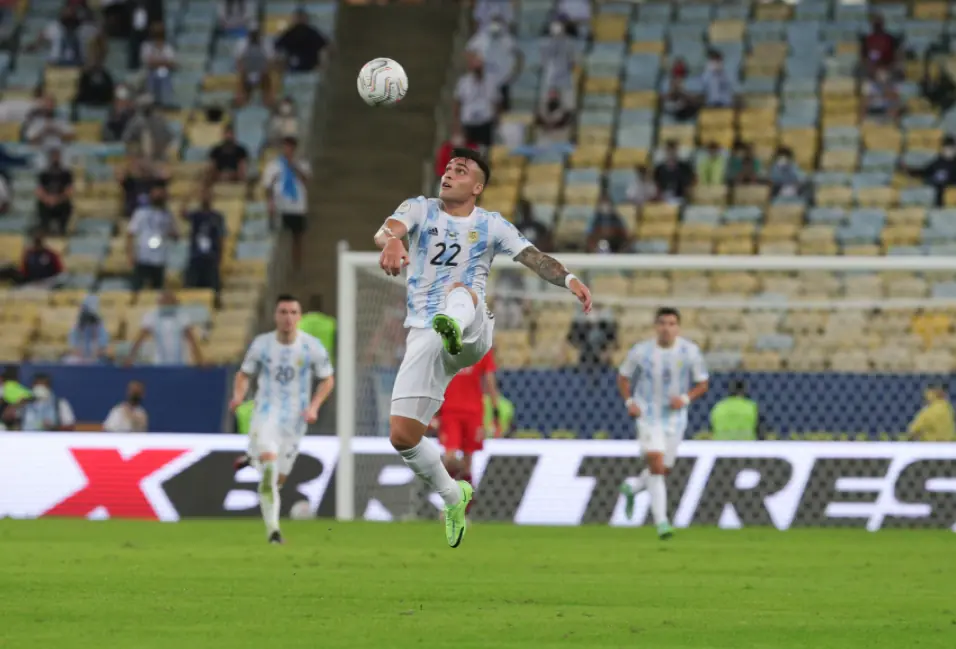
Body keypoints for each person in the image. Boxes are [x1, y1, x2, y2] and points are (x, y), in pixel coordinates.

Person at [375, 147, 592, 547]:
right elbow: (388, 227)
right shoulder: (420, 208)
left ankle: (452, 323)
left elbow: (535, 258)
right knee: (403, 436)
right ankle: (452, 495)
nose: (450, 173)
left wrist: (570, 279)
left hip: (472, 330)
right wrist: (391, 241)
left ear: (477, 187)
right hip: (424, 334)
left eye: (461, 170)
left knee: (462, 291)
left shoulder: (491, 224)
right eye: (448, 168)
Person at [229, 294, 335, 544]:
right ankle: (274, 532)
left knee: (277, 479)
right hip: (266, 413)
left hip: (295, 420)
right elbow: (244, 375)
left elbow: (328, 379)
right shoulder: (262, 345)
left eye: (292, 313)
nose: (287, 318)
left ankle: (253, 458)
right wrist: (238, 395)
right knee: (270, 466)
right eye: (283, 312)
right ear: (275, 316)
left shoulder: (311, 346)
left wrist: (314, 407)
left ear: (299, 317)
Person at [617, 307, 709, 539]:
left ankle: (634, 487)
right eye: (662, 323)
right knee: (657, 466)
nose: (666, 328)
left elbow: (702, 383)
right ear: (655, 326)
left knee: (663, 468)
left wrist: (686, 398)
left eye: (671, 324)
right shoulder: (642, 351)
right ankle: (662, 523)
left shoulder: (690, 351)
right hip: (648, 415)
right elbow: (623, 376)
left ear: (678, 327)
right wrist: (630, 402)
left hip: (676, 418)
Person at [438, 350, 500, 494]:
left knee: (468, 460)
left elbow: (489, 380)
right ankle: (463, 486)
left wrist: (495, 408)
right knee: (450, 458)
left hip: (473, 412)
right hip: (450, 411)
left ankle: (462, 505)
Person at [262, 136, 311, 271]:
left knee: (298, 238)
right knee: (280, 237)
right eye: (285, 146)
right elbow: (267, 186)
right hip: (281, 206)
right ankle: (279, 266)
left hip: (298, 206)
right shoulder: (274, 165)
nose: (288, 149)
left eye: (290, 147)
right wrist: (270, 203)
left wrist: (294, 167)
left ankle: (296, 266)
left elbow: (306, 180)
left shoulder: (302, 163)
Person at [127, 290, 203, 366]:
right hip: (159, 363)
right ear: (159, 302)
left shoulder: (183, 316)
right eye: (165, 301)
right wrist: (130, 357)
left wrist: (200, 359)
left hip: (180, 363)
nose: (167, 303)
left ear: (175, 303)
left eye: (170, 301)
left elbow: (192, 339)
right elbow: (140, 338)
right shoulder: (151, 316)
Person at [127, 183, 177, 290]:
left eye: (160, 194)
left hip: (160, 258)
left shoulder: (167, 215)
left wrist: (171, 235)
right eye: (155, 194)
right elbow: (131, 233)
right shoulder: (141, 213)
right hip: (143, 256)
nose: (158, 196)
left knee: (157, 289)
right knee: (137, 287)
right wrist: (131, 254)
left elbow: (174, 234)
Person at [181, 186, 225, 300]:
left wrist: (220, 256)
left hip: (211, 257)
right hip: (196, 256)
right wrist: (189, 196)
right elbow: (182, 213)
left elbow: (221, 237)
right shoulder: (196, 215)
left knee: (213, 289)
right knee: (191, 287)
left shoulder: (217, 216)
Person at [454, 52, 500, 149]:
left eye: (480, 64)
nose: (478, 68)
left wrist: (496, 121)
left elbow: (496, 102)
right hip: (468, 123)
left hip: (485, 123)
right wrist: (457, 127)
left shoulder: (490, 82)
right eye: (475, 64)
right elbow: (458, 104)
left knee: (485, 152)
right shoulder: (464, 82)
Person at [274, 8, 330, 73]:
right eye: (298, 18)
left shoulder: (313, 33)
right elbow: (278, 49)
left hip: (311, 69)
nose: (300, 21)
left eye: (301, 18)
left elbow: (325, 47)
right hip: (292, 69)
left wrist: (322, 64)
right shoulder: (289, 34)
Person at [35, 148, 74, 235]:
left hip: (61, 201)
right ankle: (45, 229)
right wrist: (47, 198)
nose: (55, 158)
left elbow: (70, 190)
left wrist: (58, 199)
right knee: (40, 205)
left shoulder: (66, 173)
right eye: (54, 156)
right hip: (47, 201)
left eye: (57, 156)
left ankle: (62, 230)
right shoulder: (44, 173)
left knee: (68, 206)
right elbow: (39, 189)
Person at [234, 27, 275, 108]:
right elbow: (239, 62)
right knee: (242, 77)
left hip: (262, 72)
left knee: (267, 77)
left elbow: (270, 62)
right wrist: (243, 71)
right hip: (247, 72)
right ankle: (241, 102)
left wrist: (264, 71)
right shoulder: (241, 44)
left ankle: (268, 101)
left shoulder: (267, 44)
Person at [65, 295, 111, 364]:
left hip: (96, 359)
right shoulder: (77, 327)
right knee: (68, 361)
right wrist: (81, 356)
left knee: (102, 362)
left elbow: (102, 349)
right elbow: (73, 346)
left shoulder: (100, 328)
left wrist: (93, 356)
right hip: (80, 359)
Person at [140, 23, 177, 107]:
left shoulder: (168, 47)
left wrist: (156, 62)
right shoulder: (146, 46)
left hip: (164, 72)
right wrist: (163, 62)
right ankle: (151, 102)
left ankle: (165, 102)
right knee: (152, 75)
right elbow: (148, 62)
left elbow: (172, 63)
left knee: (163, 74)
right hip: (149, 72)